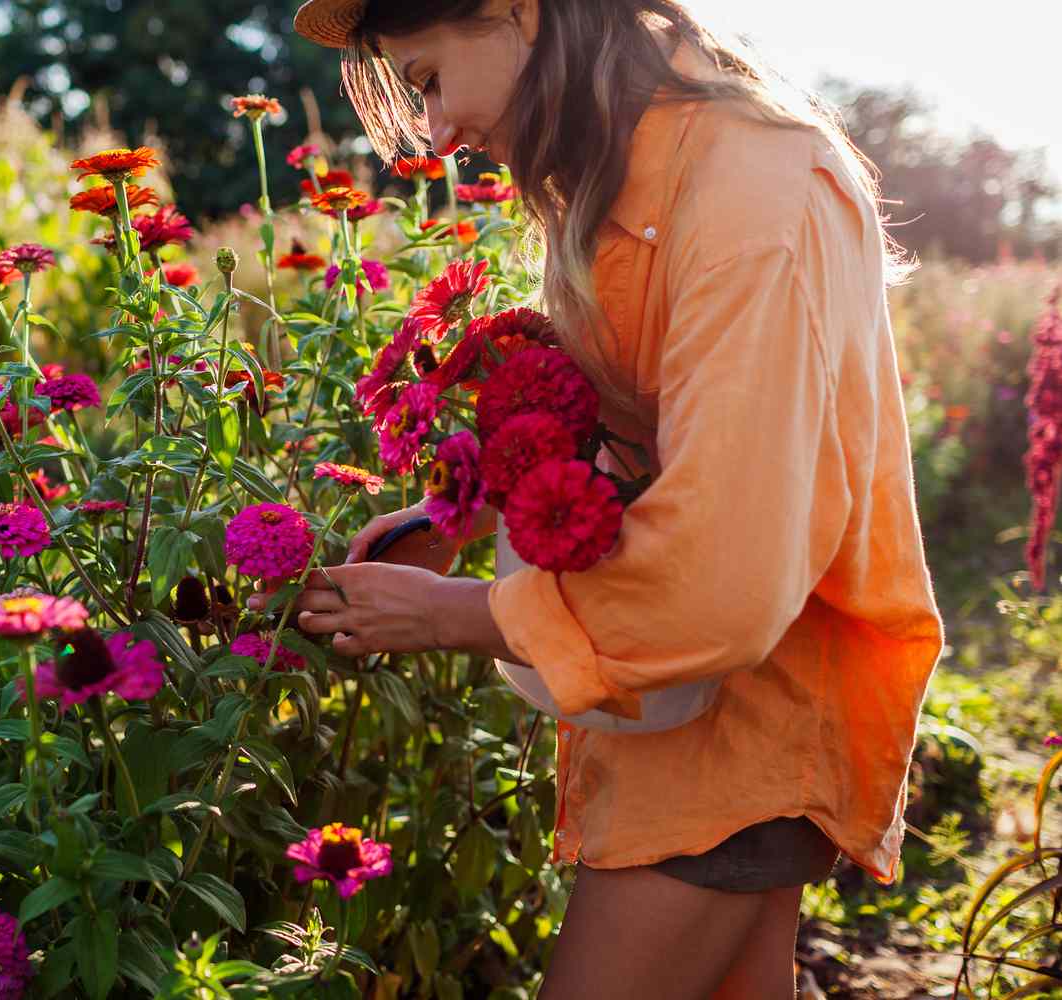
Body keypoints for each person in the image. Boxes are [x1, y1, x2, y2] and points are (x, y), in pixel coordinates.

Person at [244, 1, 947, 997]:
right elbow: (644, 430)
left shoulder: (750, 191)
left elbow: (722, 566)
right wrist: (461, 512)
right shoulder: (632, 174)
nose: (437, 135)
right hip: (703, 722)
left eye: (431, 78)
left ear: (522, 11)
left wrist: (453, 616)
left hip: (747, 722)